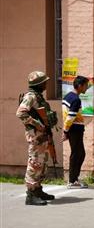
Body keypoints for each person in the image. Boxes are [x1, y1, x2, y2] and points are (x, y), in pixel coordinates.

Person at [15, 71, 58, 205]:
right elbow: (20, 113)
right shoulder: (31, 96)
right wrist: (37, 124)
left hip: (43, 135)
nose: (46, 84)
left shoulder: (38, 97)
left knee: (42, 163)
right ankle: (31, 194)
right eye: (44, 82)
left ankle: (38, 189)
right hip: (36, 135)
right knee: (34, 163)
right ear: (38, 84)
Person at [62, 75, 90, 188]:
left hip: (72, 129)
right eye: (85, 86)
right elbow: (70, 117)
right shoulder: (75, 99)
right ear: (79, 86)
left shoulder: (68, 96)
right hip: (75, 130)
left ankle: (74, 179)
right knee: (77, 154)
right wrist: (65, 131)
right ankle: (72, 181)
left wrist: (66, 130)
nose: (86, 88)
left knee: (78, 153)